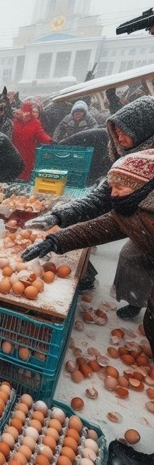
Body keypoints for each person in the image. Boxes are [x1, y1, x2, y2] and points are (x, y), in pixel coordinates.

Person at [25, 96, 154, 318]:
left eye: (124, 131)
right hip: (145, 231)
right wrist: (57, 225)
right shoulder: (129, 166)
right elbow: (108, 216)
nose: (118, 137)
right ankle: (137, 301)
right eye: (116, 132)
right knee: (131, 256)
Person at [21, 149, 154, 360]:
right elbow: (98, 229)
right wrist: (55, 240)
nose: (113, 194)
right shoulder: (134, 208)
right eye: (112, 187)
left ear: (144, 187)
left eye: (120, 187)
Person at [12, 101, 53, 181]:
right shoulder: (15, 122)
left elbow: (42, 134)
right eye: (25, 114)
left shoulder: (35, 122)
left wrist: (50, 141)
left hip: (29, 155)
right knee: (16, 174)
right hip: (15, 153)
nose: (27, 116)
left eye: (29, 114)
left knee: (27, 175)